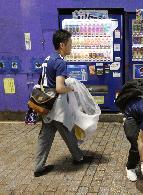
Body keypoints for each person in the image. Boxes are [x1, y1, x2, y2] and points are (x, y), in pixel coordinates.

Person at [34, 30, 93, 177]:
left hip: (45, 103)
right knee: (67, 129)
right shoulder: (60, 62)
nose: (71, 47)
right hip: (57, 105)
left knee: (46, 135)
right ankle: (78, 158)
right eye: (70, 44)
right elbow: (60, 88)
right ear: (62, 45)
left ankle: (38, 167)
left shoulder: (48, 58)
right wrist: (72, 88)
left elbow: (45, 81)